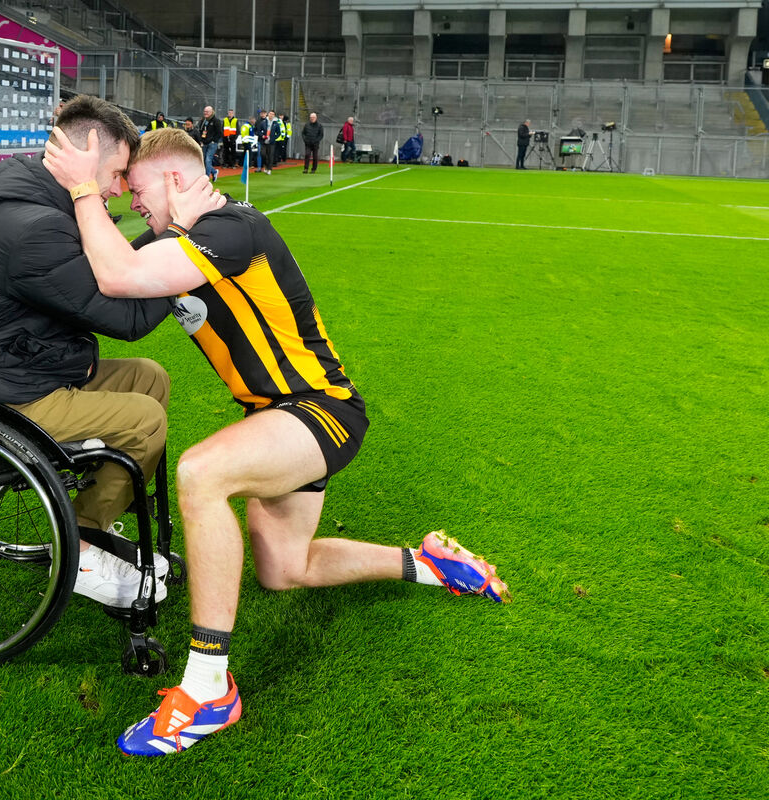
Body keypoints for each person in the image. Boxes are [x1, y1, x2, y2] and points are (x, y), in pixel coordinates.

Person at [43, 126, 511, 757]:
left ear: (176, 180)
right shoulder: (182, 236)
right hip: (281, 417)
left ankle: (209, 688)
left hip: (320, 412)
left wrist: (81, 186)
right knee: (286, 569)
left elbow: (121, 275)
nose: (133, 203)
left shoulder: (229, 230)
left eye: (140, 190)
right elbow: (102, 278)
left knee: (200, 473)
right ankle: (427, 563)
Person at [0, 95, 174, 609]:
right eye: (118, 173)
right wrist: (188, 252)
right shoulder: (40, 227)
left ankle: (96, 504)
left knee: (150, 379)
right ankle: (80, 542)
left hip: (10, 362)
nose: (120, 189)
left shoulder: (42, 203)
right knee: (144, 420)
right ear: (90, 150)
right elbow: (127, 317)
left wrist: (163, 235)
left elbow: (105, 278)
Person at [198, 105, 222, 181]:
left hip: (212, 144)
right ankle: (214, 171)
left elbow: (220, 133)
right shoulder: (203, 120)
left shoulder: (216, 121)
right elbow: (201, 131)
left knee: (208, 159)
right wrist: (201, 140)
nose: (205, 113)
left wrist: (214, 140)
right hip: (204, 143)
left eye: (207, 111)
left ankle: (206, 178)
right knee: (204, 160)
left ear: (212, 112)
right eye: (204, 111)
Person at [261, 110, 283, 174]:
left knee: (270, 155)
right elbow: (259, 130)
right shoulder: (264, 122)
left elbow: (279, 133)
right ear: (268, 114)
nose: (271, 115)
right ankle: (265, 165)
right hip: (264, 141)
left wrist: (274, 138)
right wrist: (262, 136)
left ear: (274, 115)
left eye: (273, 114)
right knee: (263, 154)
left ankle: (269, 169)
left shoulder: (276, 123)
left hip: (272, 142)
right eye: (270, 114)